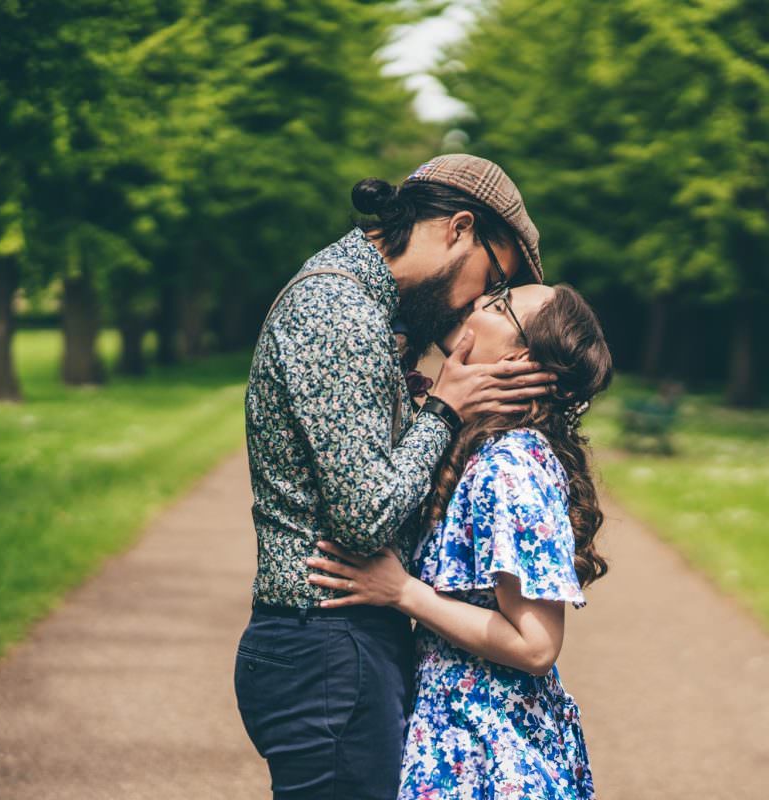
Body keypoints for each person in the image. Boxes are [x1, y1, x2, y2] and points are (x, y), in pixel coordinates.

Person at [234, 154, 558, 799]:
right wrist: (444, 409)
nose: (475, 303)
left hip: (342, 641)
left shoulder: (373, 311)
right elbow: (365, 516)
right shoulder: (335, 308)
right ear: (459, 228)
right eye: (491, 280)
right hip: (327, 640)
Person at [307, 282, 613, 799]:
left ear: (519, 358)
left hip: (492, 753)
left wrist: (404, 592)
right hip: (461, 737)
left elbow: (536, 645)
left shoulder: (511, 464)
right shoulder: (481, 448)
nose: (475, 303)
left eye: (498, 306)